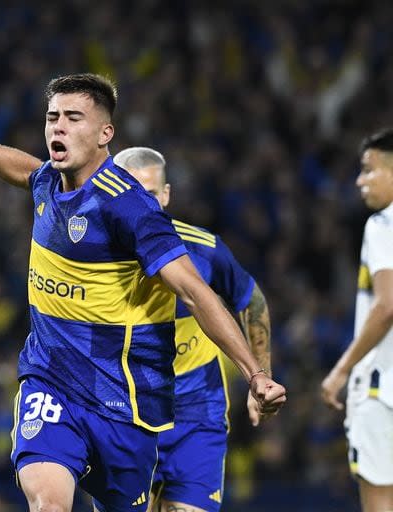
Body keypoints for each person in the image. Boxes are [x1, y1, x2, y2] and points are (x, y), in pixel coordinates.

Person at [0, 72, 286, 512]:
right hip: (50, 381)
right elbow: (24, 169)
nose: (58, 127)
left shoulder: (129, 206)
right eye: (53, 117)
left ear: (105, 133)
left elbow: (194, 291)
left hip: (123, 404)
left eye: (74, 118)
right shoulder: (50, 181)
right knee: (49, 502)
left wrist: (255, 373)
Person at [113, 147, 272, 512]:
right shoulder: (93, 255)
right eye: (129, 192)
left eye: (150, 194)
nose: (141, 204)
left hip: (196, 410)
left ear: (166, 195)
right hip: (124, 411)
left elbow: (253, 299)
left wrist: (260, 376)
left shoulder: (203, 249)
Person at [321, 128, 393, 512]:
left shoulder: (383, 224)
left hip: (383, 393)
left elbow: (386, 306)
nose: (360, 181)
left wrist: (342, 370)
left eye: (369, 170)